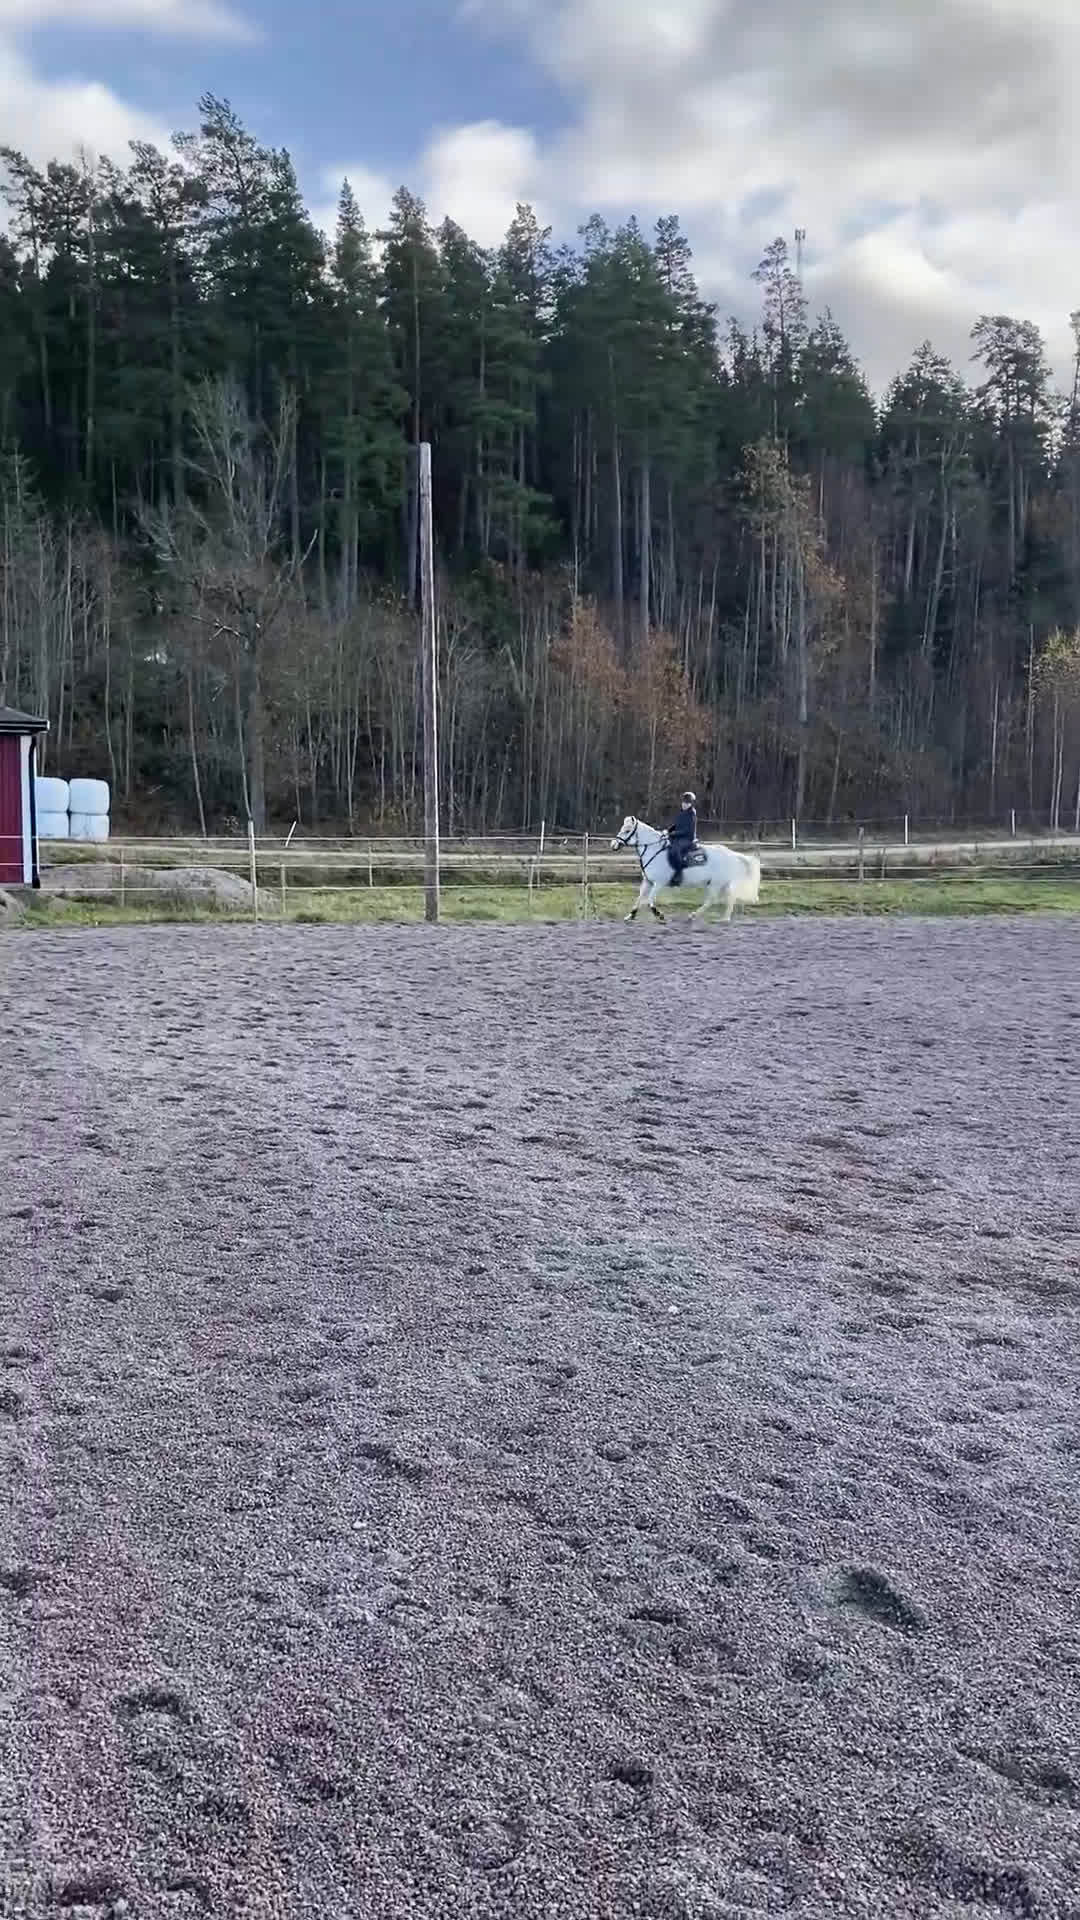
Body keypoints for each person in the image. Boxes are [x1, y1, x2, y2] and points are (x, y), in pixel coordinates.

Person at [666, 791, 698, 885]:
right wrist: (667, 831)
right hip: (679, 837)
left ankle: (679, 873)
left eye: (687, 803)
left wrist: (674, 833)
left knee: (675, 849)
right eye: (683, 802)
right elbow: (676, 825)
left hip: (688, 839)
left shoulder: (691, 814)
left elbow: (688, 830)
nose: (684, 804)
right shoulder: (682, 813)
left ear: (691, 804)